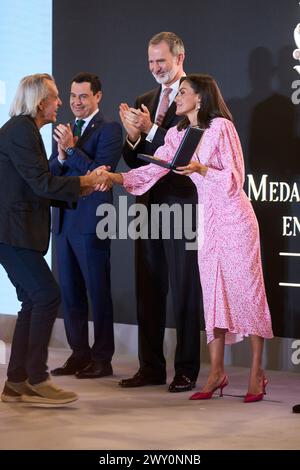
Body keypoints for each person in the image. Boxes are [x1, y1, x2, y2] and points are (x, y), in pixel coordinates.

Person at [99, 73, 274, 402]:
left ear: (200, 98)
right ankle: (217, 373)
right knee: (213, 297)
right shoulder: (178, 133)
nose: (176, 97)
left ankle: (256, 372)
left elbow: (236, 178)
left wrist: (201, 169)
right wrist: (116, 176)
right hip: (207, 221)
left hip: (235, 218)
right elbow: (155, 169)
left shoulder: (222, 127)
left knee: (247, 294)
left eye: (183, 92)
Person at [0, 73, 110, 405]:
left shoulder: (24, 130)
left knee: (34, 301)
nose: (61, 103)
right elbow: (43, 183)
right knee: (47, 296)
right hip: (12, 233)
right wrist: (86, 182)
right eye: (56, 97)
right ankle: (36, 378)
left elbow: (41, 183)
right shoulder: (21, 131)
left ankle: (16, 381)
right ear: (40, 102)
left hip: (15, 232)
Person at [119, 32, 202, 392]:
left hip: (182, 203)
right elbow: (134, 161)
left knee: (184, 289)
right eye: (151, 62)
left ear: (179, 58)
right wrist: (133, 137)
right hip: (148, 206)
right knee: (148, 288)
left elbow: (179, 154)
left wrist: (149, 129)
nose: (155, 68)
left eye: (161, 61)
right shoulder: (144, 101)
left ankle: (186, 369)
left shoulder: (197, 96)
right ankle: (150, 367)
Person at [49, 73, 122, 379]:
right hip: (64, 222)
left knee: (98, 291)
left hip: (93, 223)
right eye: (72, 96)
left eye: (83, 96)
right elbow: (52, 171)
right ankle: (79, 354)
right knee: (70, 292)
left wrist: (72, 150)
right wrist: (63, 153)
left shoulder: (109, 130)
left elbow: (101, 174)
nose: (76, 102)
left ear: (97, 97)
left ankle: (102, 359)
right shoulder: (66, 130)